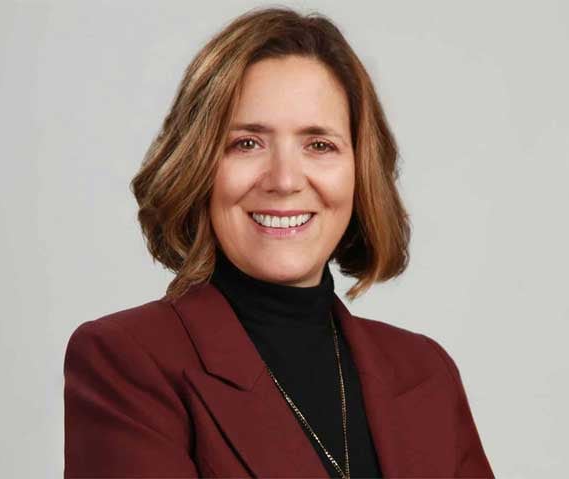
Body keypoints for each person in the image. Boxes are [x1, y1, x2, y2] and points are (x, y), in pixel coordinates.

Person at [63, 6, 494, 478]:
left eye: (319, 144)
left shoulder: (426, 372)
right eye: (247, 143)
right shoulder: (128, 361)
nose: (285, 180)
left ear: (359, 172)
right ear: (198, 167)